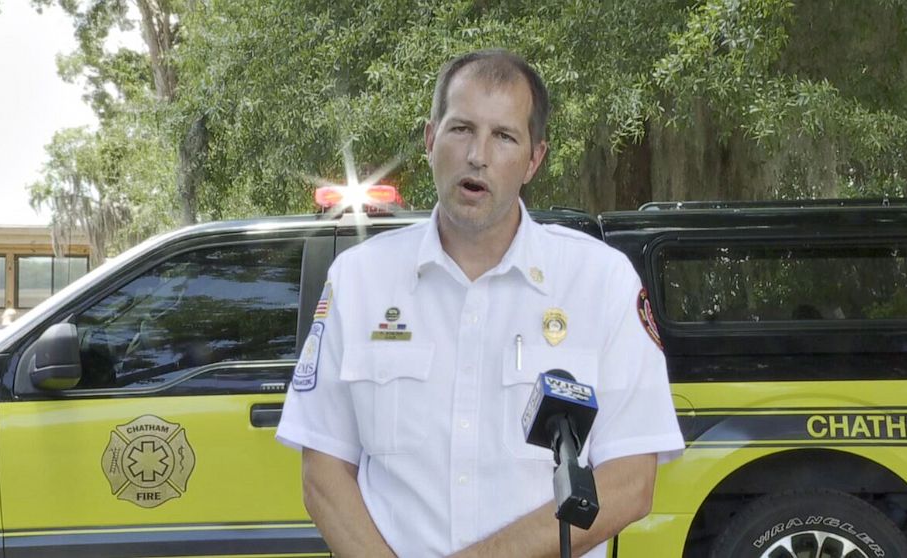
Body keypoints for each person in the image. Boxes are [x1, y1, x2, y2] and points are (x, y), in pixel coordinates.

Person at [276, 48, 684, 557]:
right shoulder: (360, 280)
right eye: (461, 129)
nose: (477, 155)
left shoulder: (600, 282)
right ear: (430, 140)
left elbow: (630, 481)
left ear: (534, 159)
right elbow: (323, 472)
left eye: (504, 136)